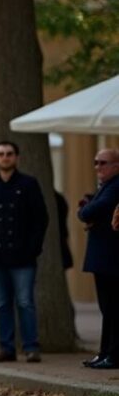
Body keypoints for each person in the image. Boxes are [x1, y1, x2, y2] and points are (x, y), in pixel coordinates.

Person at [0, 141, 48, 364]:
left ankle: (31, 347)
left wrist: (33, 248)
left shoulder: (28, 184)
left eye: (9, 154)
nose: (5, 157)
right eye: (1, 154)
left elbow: (41, 219)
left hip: (23, 257)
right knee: (1, 303)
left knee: (25, 302)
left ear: (16, 158)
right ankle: (6, 348)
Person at [80, 148, 119, 370]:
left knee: (113, 308)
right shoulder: (105, 187)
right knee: (106, 308)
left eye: (103, 163)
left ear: (116, 166)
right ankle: (105, 352)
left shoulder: (114, 187)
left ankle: (113, 355)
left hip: (111, 257)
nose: (98, 167)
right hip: (102, 257)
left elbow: (91, 211)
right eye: (96, 162)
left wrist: (86, 210)